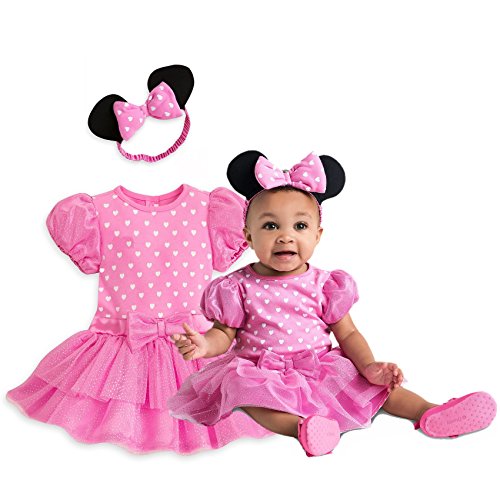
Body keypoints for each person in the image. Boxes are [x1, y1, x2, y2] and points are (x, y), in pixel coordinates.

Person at [168, 151, 497, 457]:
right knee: (244, 389)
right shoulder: (236, 286)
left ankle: (430, 412)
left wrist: (370, 366)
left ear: (317, 235)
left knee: (376, 387)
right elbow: (224, 334)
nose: (285, 236)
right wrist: (204, 345)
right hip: (261, 368)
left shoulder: (326, 285)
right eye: (270, 226)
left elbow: (348, 333)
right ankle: (304, 429)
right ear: (249, 236)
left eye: (300, 226)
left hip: (319, 364)